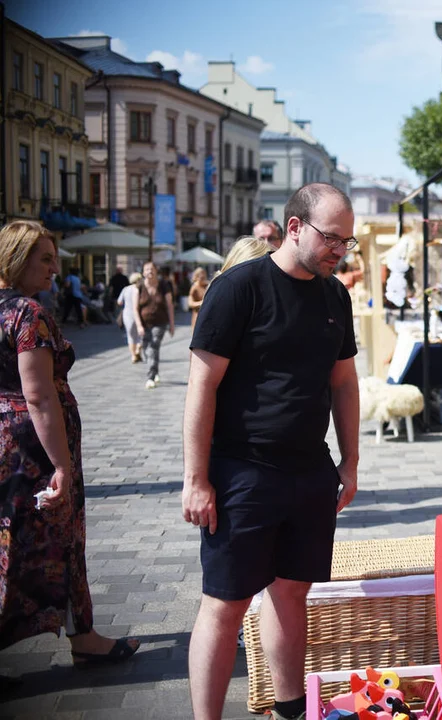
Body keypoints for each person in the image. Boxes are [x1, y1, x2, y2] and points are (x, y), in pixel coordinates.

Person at [183, 183, 359, 720]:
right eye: (332, 239)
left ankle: (289, 709)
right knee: (227, 603)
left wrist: (349, 462)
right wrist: (196, 478)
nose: (340, 251)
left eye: (347, 242)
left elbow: (345, 383)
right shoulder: (239, 288)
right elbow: (202, 385)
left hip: (309, 471)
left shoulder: (335, 295)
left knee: (291, 592)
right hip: (242, 472)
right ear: (295, 227)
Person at [0, 220, 140, 676]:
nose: (55, 268)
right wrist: (61, 463)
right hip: (32, 450)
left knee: (7, 543)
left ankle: (83, 635)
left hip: (4, 443)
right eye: (45, 258)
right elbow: (38, 394)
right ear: (17, 257)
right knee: (61, 537)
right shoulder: (26, 313)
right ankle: (85, 639)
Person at [134, 262, 175, 390]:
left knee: (154, 345)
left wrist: (172, 324)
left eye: (152, 269)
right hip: (144, 323)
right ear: (143, 272)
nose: (150, 271)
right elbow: (135, 309)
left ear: (156, 271)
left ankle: (150, 377)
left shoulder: (164, 285)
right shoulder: (139, 287)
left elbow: (169, 305)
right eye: (147, 269)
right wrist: (139, 326)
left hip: (160, 322)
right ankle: (155, 371)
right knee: (148, 349)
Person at [116, 272, 143, 363]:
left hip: (127, 314)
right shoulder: (139, 289)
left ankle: (133, 356)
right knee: (141, 335)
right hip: (139, 314)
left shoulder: (125, 289)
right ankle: (138, 350)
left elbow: (119, 302)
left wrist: (126, 303)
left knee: (131, 336)